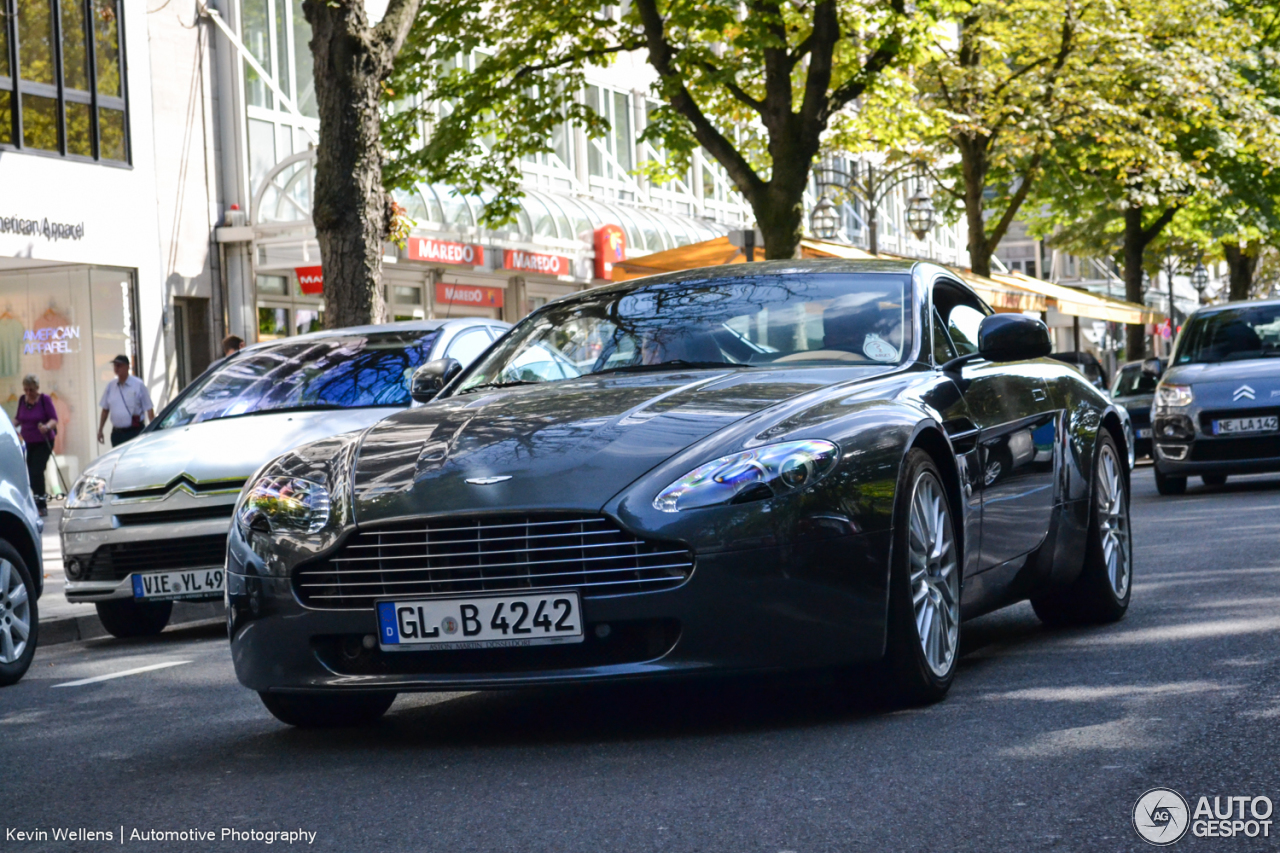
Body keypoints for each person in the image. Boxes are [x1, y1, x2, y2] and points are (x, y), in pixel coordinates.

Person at [13, 375, 58, 516]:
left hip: (43, 442)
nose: (28, 393)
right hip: (27, 443)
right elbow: (19, 418)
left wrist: (46, 426)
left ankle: (42, 506)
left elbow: (54, 419)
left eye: (31, 390)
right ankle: (36, 503)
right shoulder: (22, 400)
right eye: (26, 390)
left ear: (37, 388)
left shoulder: (45, 400)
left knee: (36, 471)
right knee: (30, 474)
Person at [97, 355, 155, 447]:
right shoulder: (111, 386)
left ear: (127, 367)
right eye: (115, 365)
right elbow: (105, 409)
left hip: (134, 432)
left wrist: (153, 430)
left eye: (119, 365)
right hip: (117, 433)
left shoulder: (138, 384)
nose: (116, 368)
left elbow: (149, 408)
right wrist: (100, 430)